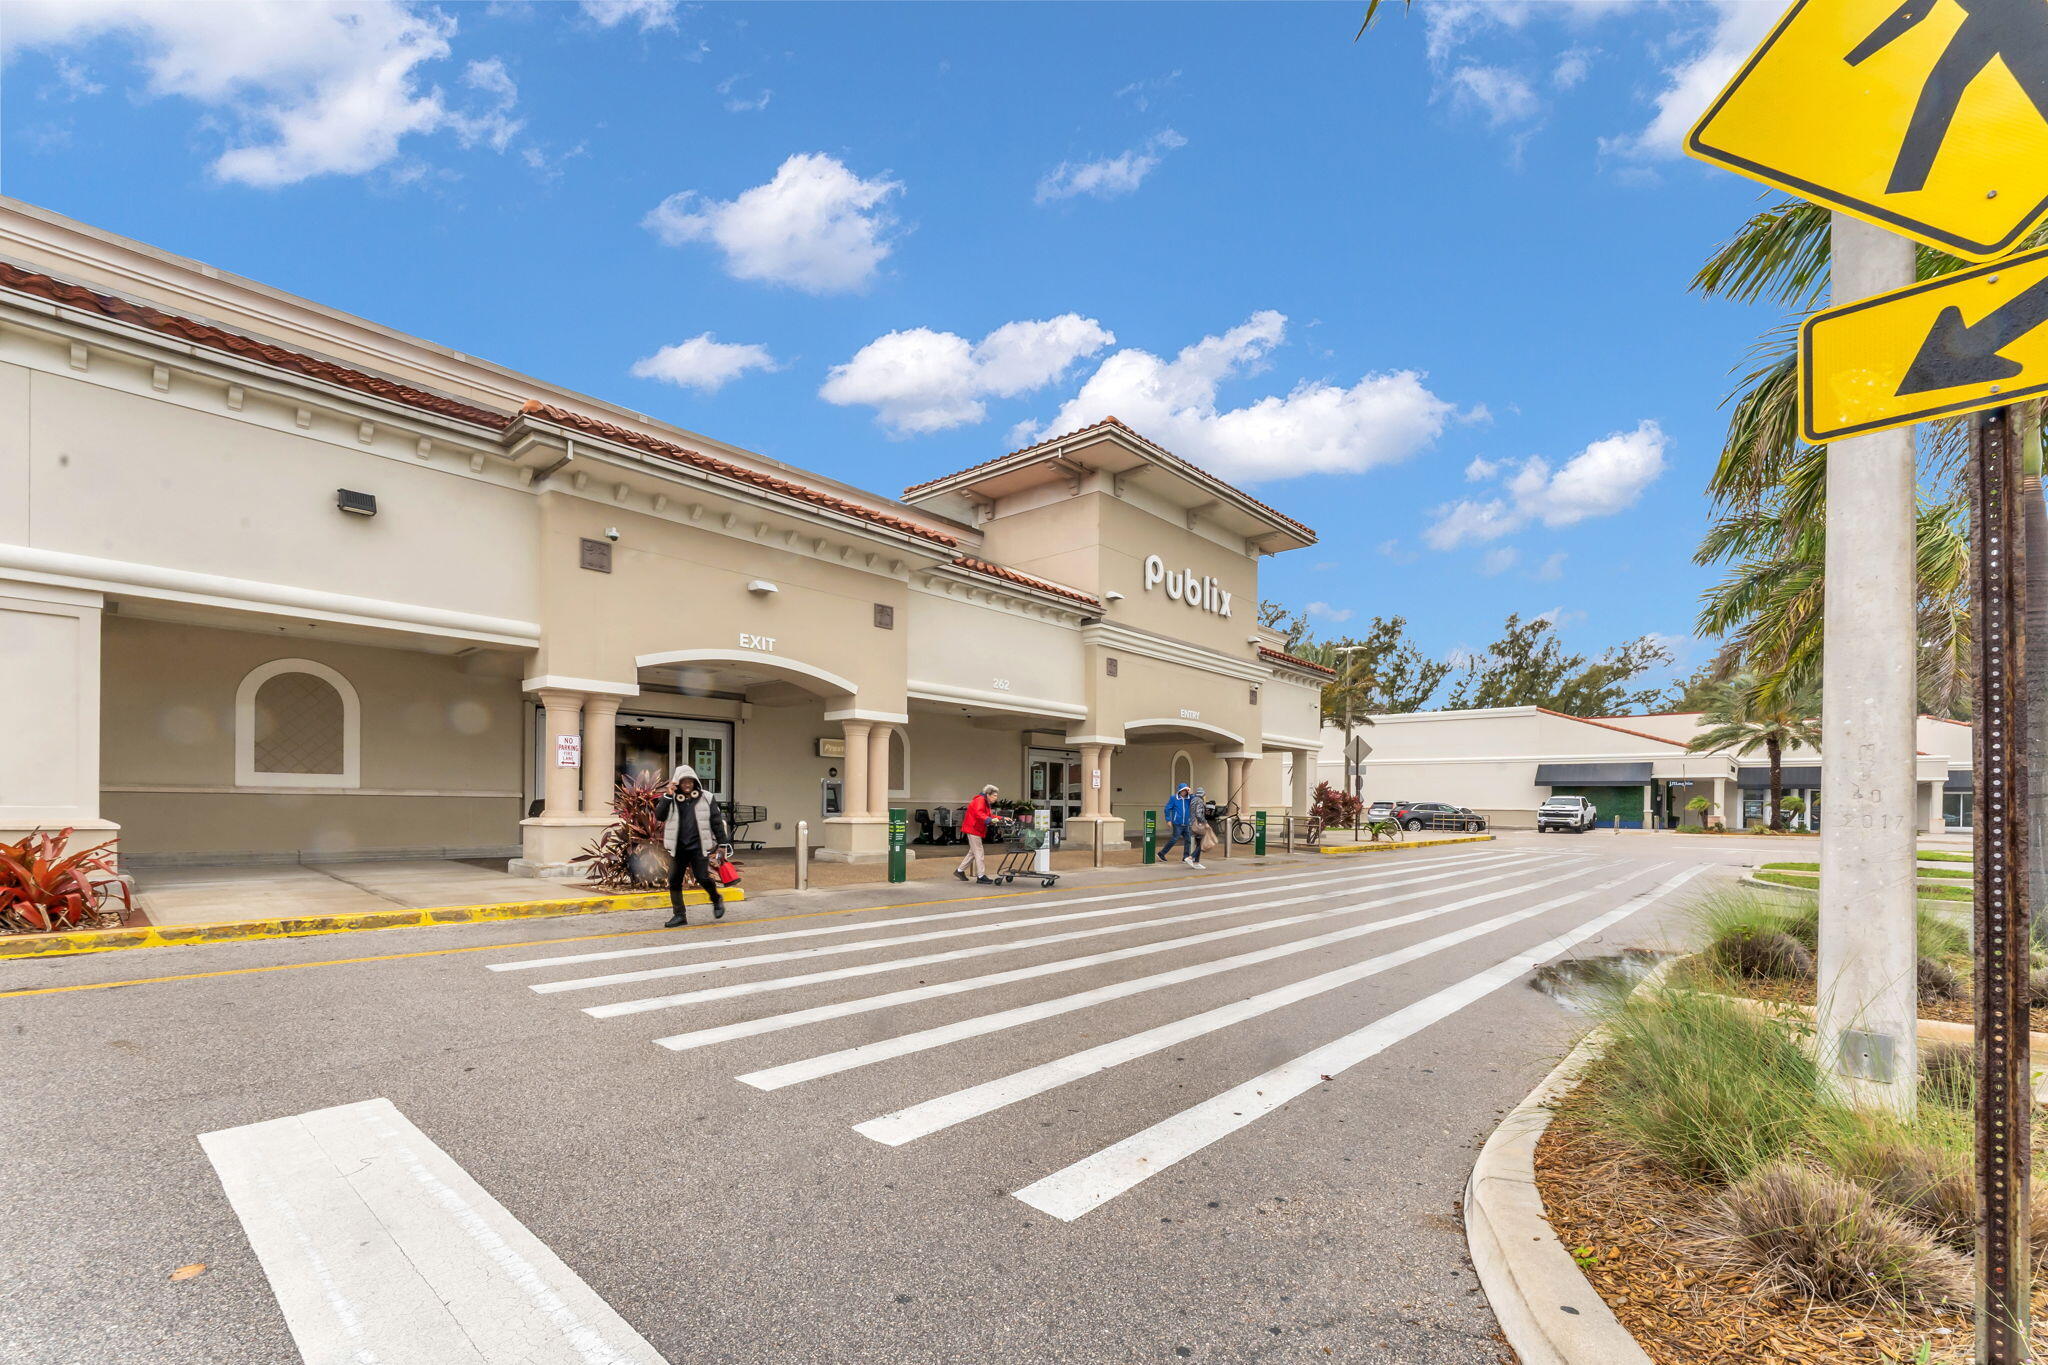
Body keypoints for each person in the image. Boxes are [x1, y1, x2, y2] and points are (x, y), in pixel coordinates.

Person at [655, 767, 730, 927]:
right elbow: (659, 816)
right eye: (683, 781)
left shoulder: (707, 798)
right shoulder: (671, 798)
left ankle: (716, 899)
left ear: (695, 782)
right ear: (678, 783)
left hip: (699, 846)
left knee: (702, 877)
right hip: (678, 848)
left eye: (690, 781)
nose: (687, 784)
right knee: (674, 881)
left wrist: (722, 845)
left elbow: (716, 822)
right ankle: (679, 915)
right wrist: (668, 795)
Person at [955, 784, 999, 884]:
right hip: (973, 829)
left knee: (973, 852)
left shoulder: (984, 802)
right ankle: (981, 876)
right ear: (988, 794)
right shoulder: (980, 801)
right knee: (979, 852)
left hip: (974, 829)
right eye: (994, 796)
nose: (996, 798)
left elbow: (988, 815)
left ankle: (959, 871)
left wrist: (1002, 818)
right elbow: (979, 814)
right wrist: (989, 819)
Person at [1159, 783, 1196, 862]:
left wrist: (1191, 793)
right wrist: (1168, 820)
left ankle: (1185, 857)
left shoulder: (1189, 798)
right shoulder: (1174, 798)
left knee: (1188, 840)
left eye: (1186, 791)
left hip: (1186, 823)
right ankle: (1161, 853)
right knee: (1174, 839)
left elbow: (1195, 802)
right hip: (1177, 823)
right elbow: (1167, 809)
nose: (1184, 792)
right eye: (1183, 790)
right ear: (1179, 791)